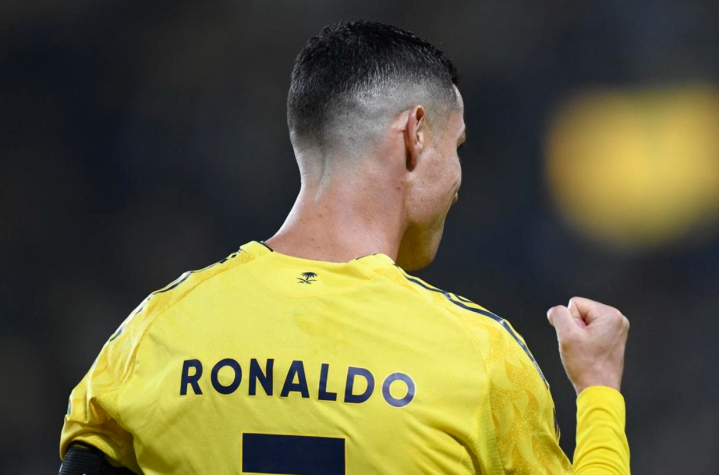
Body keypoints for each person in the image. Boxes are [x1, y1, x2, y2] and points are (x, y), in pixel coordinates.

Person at [59, 21, 630, 474]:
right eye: (456, 147)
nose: (459, 180)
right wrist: (599, 389)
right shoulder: (481, 358)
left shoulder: (153, 333)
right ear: (416, 135)